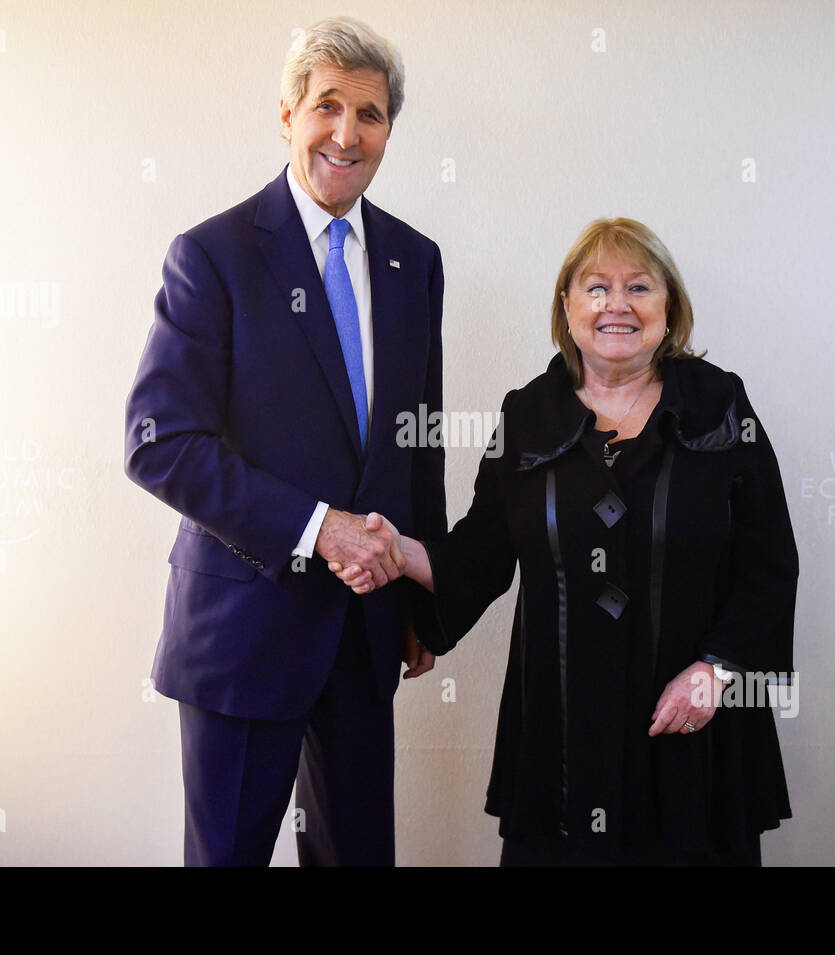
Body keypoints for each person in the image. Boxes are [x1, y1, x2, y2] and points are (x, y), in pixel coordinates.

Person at [334, 218, 798, 866]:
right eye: (597, 288)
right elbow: (482, 553)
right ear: (568, 306)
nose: (617, 305)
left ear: (670, 307)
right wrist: (398, 551)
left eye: (639, 287)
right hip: (558, 743)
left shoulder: (720, 404)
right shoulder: (527, 414)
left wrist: (717, 671)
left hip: (695, 735)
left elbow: (769, 561)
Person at [124, 16, 445, 866]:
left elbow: (421, 439)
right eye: (327, 106)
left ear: (388, 130)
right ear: (286, 114)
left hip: (366, 632)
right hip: (241, 634)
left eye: (370, 114)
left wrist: (423, 599)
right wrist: (317, 526)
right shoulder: (213, 255)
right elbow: (159, 442)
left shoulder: (417, 262)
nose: (347, 134)